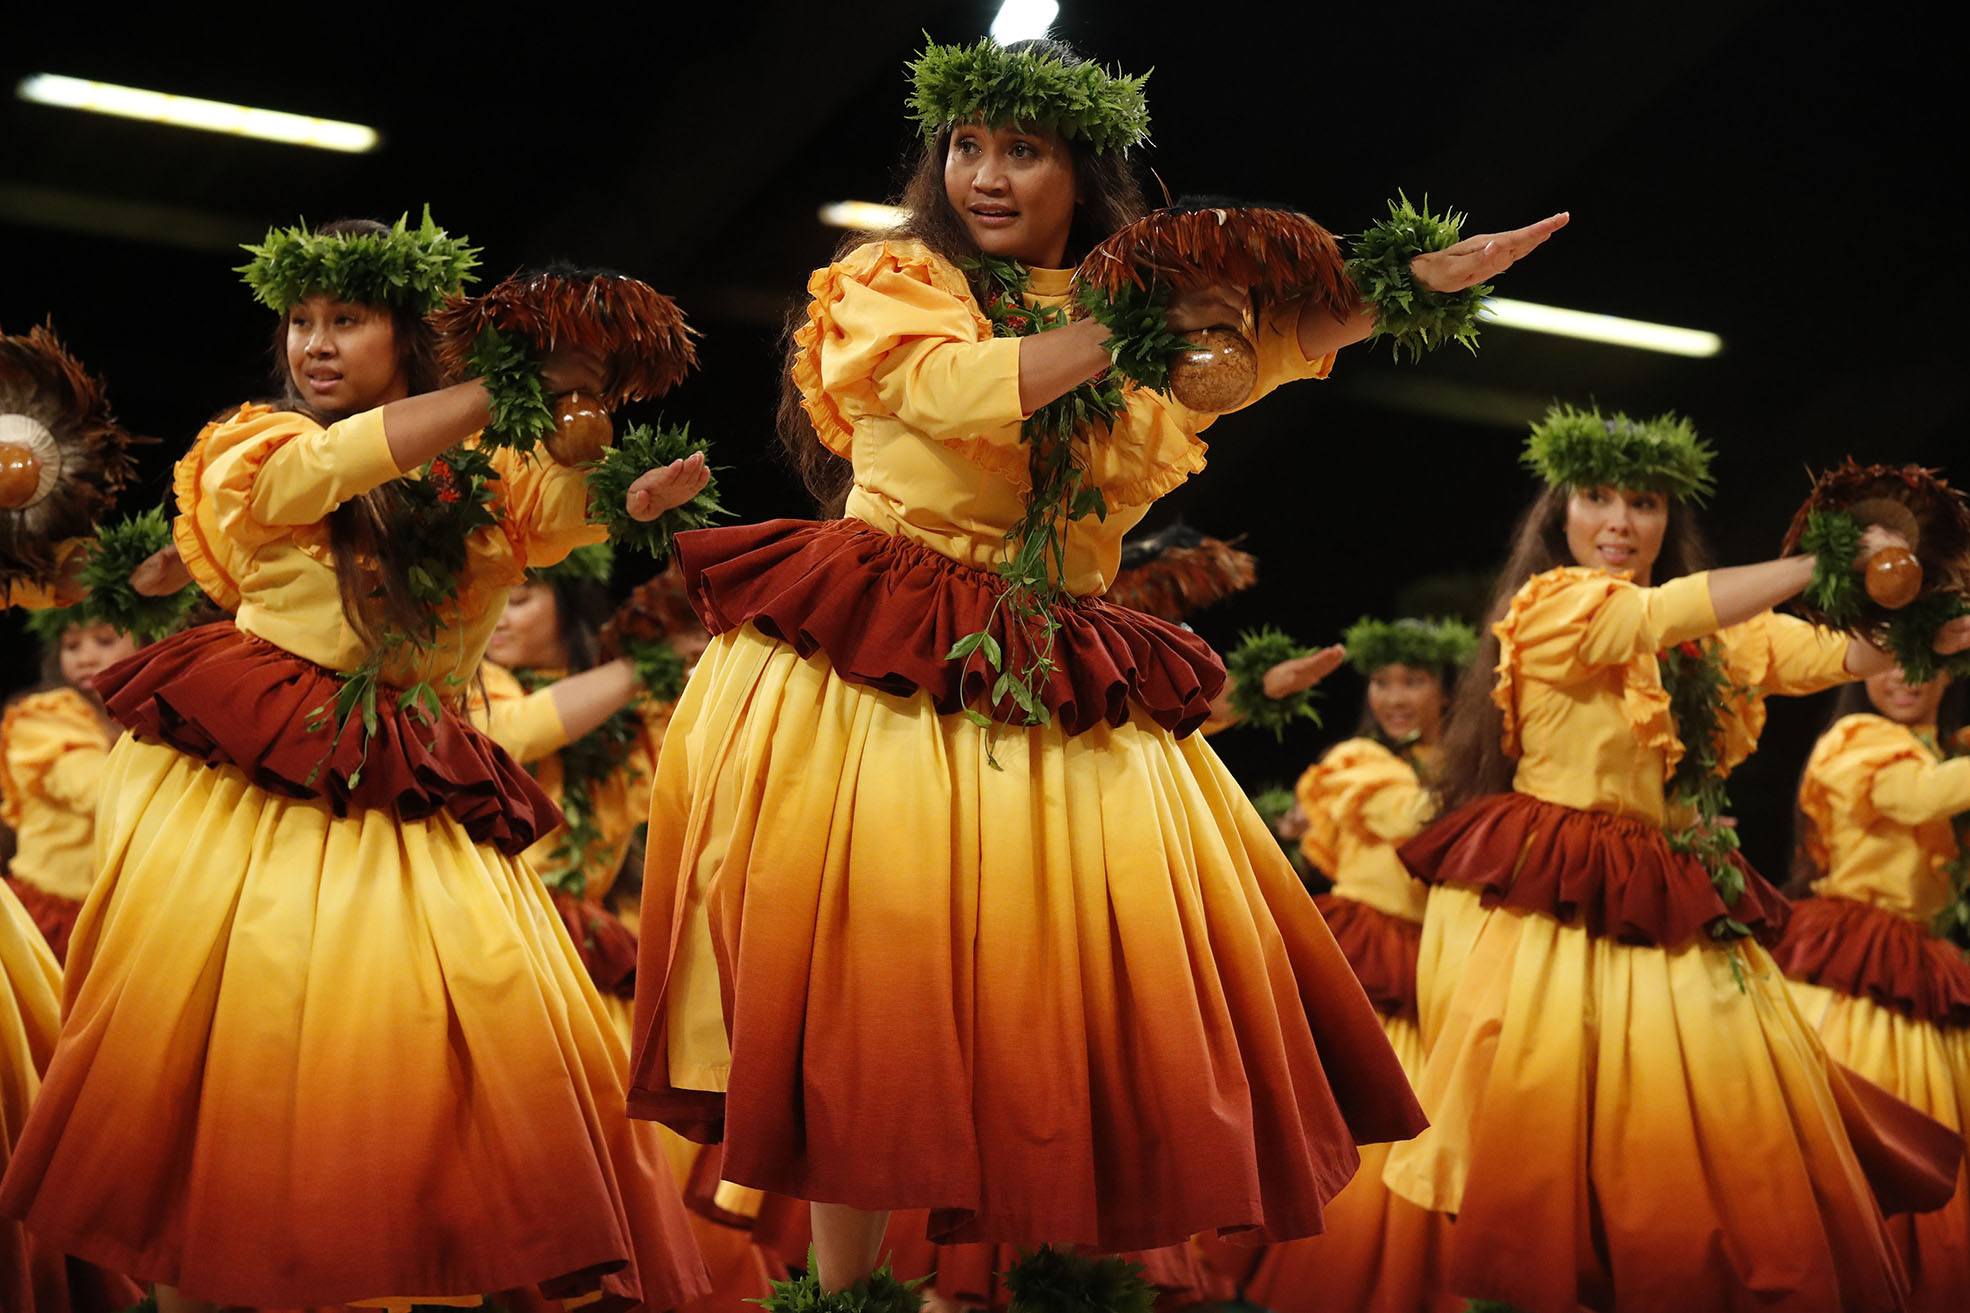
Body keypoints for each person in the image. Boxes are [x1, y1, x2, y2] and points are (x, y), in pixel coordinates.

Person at [626, 35, 1565, 1298]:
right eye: (966, 148)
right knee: (868, 975)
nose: (987, 176)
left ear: (1086, 173)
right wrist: (1136, 317)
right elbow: (958, 391)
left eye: (1023, 151)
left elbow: (1280, 341)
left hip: (1057, 665)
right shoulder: (891, 276)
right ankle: (845, 1292)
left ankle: (1050, 1264)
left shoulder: (1141, 315)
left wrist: (1413, 284)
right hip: (878, 656)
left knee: (1069, 976)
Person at [0, 213, 713, 1311]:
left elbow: (552, 510)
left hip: (413, 779)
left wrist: (619, 481)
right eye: (301, 322)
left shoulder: (479, 469)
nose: (315, 344)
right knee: (254, 1040)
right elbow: (323, 475)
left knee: (460, 1026)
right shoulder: (253, 445)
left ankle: (410, 1264)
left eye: (348, 321)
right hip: (259, 787)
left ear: (408, 337)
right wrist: (501, 387)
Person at [1385, 403, 1970, 1312]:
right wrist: (1824, 560)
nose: (1620, 522)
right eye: (1598, 498)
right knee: (1562, 1145)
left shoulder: (1717, 634)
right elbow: (1651, 617)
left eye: (1646, 504)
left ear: (1670, 518)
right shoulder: (1557, 604)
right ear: (1562, 515)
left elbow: (1839, 654)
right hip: (1556, 897)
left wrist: (1925, 615)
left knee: (1730, 1117)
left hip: (1664, 887)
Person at [1245, 615, 1474, 1312]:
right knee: (1343, 1112)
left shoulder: (1463, 771)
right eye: (1382, 681)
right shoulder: (1363, 764)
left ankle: (1394, 1276)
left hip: (1428, 960)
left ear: (1446, 690)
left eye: (1414, 680)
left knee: (1422, 1122)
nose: (1395, 697)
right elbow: (1408, 824)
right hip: (1363, 953)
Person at [1776, 668, 1970, 1311]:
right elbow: (1918, 800)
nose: (1905, 676)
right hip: (1853, 966)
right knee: (1854, 1136)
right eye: (1887, 655)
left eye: (1924, 660)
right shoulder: (1856, 738)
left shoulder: (1942, 755)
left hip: (1919, 966)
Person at [3, 612, 135, 962]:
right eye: (71, 645)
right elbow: (94, 790)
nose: (85, 657)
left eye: (104, 641)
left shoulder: (143, 720)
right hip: (52, 909)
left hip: (117, 916)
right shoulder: (43, 718)